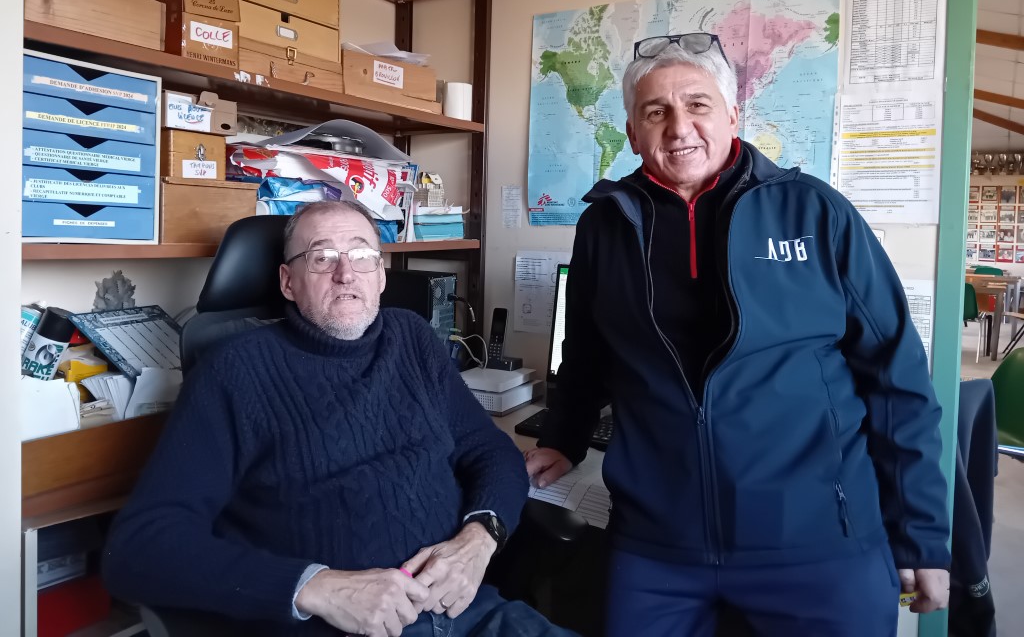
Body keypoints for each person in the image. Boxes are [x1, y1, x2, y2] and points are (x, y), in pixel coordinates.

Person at [524, 33, 951, 637]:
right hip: (656, 548)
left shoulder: (816, 213)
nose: (679, 128)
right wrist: (564, 436)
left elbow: (896, 377)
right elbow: (588, 351)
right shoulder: (604, 225)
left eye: (697, 105)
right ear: (632, 133)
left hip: (817, 544)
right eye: (656, 112)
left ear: (732, 114)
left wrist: (923, 533)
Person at [103, 200, 571, 637]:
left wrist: (479, 538)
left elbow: (489, 451)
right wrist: (317, 587)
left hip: (465, 611)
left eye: (362, 254)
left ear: (381, 276)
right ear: (288, 282)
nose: (346, 273)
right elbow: (139, 549)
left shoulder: (412, 339)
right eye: (321, 257)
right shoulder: (234, 372)